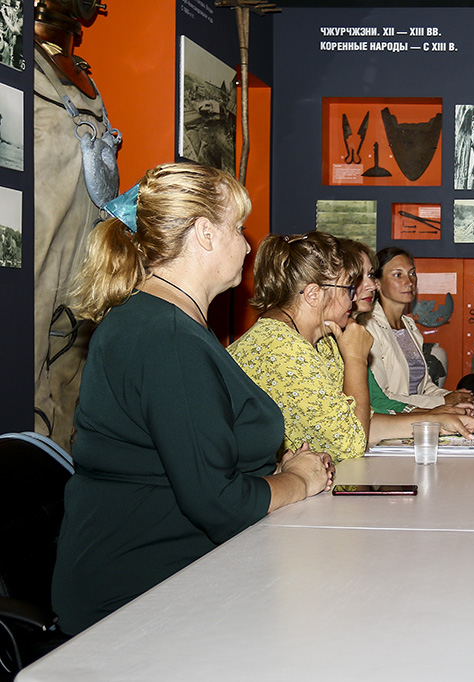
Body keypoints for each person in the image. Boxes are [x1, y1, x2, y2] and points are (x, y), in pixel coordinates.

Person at [51, 163, 334, 636]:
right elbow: (219, 503)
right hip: (139, 606)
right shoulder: (167, 338)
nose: (247, 245)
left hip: (179, 583)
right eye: (237, 228)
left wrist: (275, 469)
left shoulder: (166, 324)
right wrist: (299, 480)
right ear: (204, 233)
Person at [229, 233, 474, 463]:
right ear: (313, 295)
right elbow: (351, 444)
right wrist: (355, 358)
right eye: (348, 288)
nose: (353, 299)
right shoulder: (284, 350)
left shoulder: (323, 341)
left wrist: (435, 421)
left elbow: (363, 422)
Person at [364, 247, 474, 409]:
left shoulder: (409, 326)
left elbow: (425, 388)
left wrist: (453, 396)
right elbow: (380, 398)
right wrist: (443, 401)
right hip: (391, 417)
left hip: (416, 414)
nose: (409, 282)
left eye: (412, 273)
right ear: (378, 283)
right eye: (398, 275)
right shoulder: (368, 328)